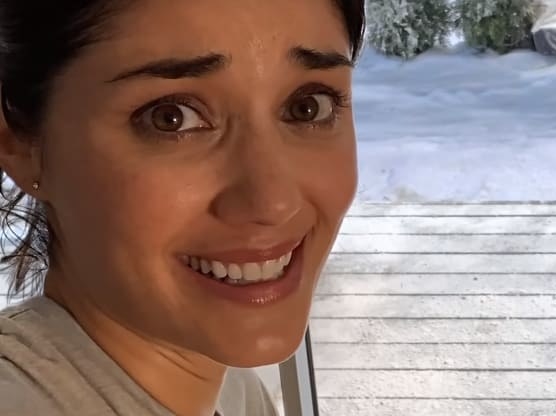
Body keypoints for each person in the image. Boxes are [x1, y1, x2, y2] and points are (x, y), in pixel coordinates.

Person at [0, 1, 365, 415]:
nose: (273, 202)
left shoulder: (233, 391)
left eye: (308, 107)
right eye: (170, 118)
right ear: (17, 143)